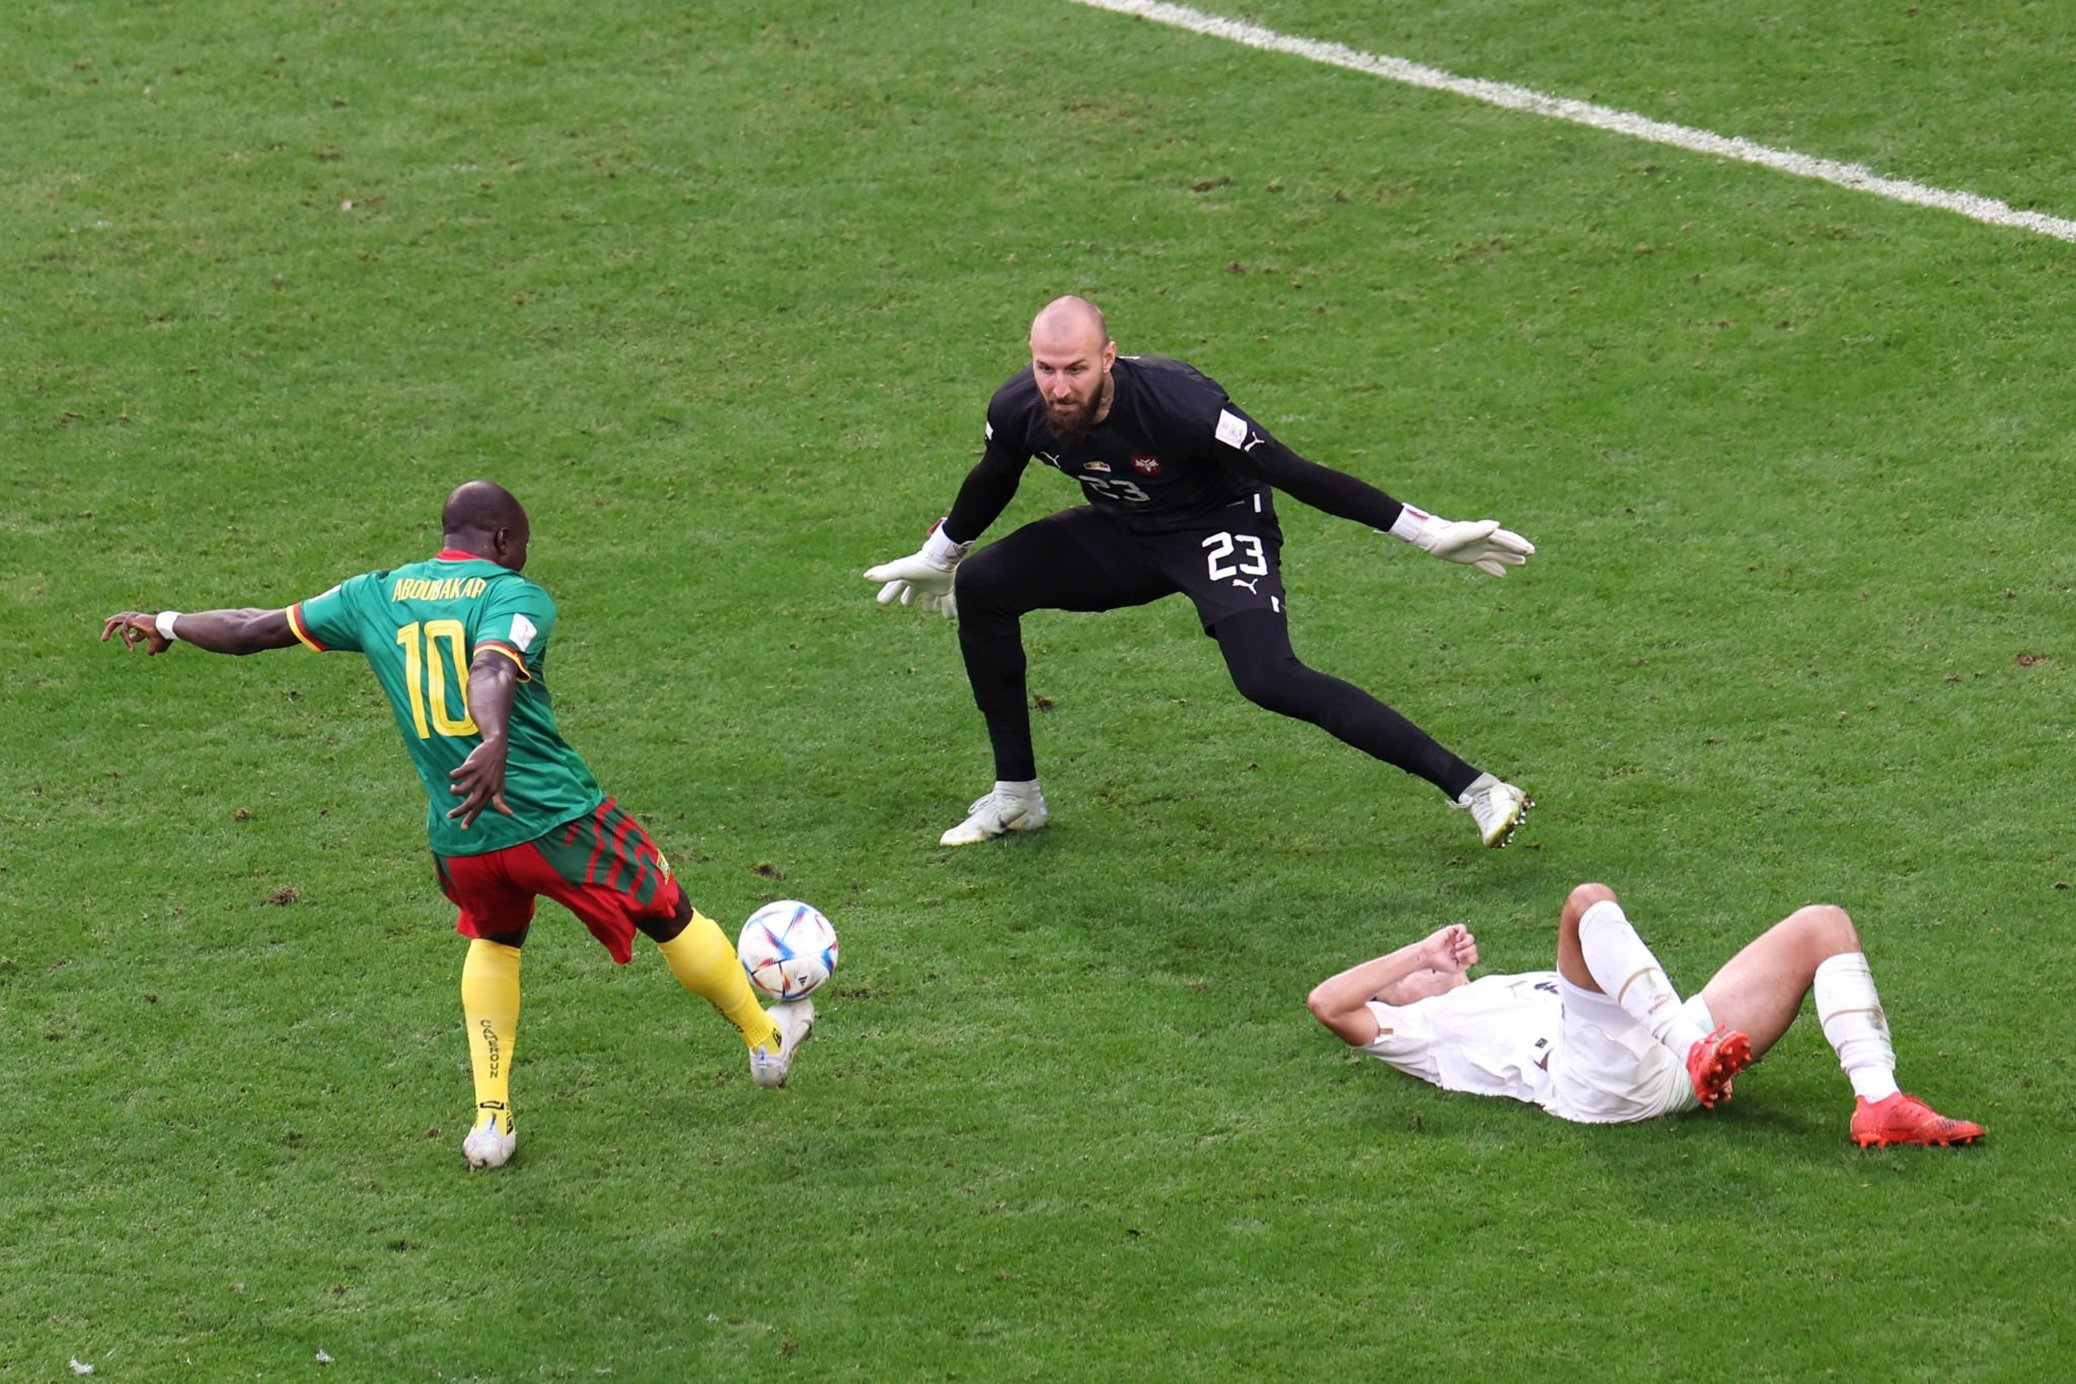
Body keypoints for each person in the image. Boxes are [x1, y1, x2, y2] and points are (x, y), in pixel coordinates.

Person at [101, 481, 814, 1171]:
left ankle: (491, 1121)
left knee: (495, 941)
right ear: (504, 539)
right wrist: (494, 737)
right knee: (669, 912)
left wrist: (166, 622)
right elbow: (491, 669)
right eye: (525, 542)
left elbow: (254, 628)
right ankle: (764, 1038)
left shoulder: (375, 593)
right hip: (553, 815)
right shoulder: (513, 595)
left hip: (461, 832)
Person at [864, 294, 1536, 850]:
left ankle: (1477, 788)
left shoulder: (1181, 406)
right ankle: (1017, 798)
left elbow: (1293, 472)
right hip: (1125, 532)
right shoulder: (1019, 407)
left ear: (1108, 358)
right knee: (983, 586)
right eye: (1045, 368)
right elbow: (995, 477)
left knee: (1268, 677)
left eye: (1074, 369)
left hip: (1218, 525)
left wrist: (1427, 532)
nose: (1058, 388)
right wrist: (941, 555)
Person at [1307, 881, 1984, 1147]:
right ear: (1393, 1004)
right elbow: (1327, 1002)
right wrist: (1416, 952)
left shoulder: (1504, 986)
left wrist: (1443, 964)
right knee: (1585, 903)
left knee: (1823, 924)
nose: (1428, 969)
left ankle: (1880, 1101)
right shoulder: (1418, 1036)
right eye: (1409, 978)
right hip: (1591, 1085)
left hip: (1662, 1059)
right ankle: (1696, 1050)